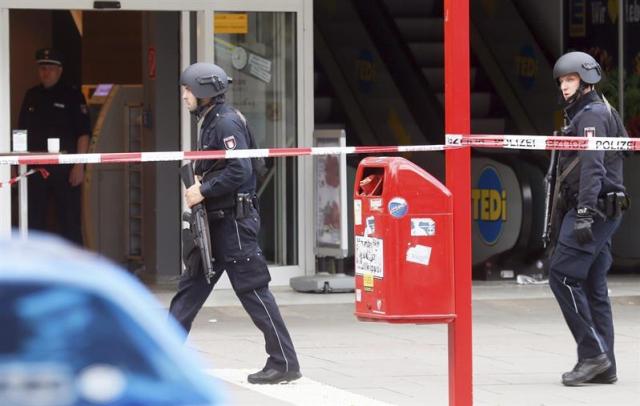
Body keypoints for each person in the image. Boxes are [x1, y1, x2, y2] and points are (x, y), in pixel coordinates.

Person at [169, 62, 301, 385]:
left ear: (202, 92)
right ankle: (161, 356)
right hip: (214, 222)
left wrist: (203, 189)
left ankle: (284, 361)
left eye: (188, 90)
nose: (185, 95)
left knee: (253, 291)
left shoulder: (226, 122)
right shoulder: (211, 120)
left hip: (233, 224)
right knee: (190, 289)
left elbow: (241, 170)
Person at [549, 51, 628, 386]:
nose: (565, 86)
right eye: (563, 81)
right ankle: (605, 364)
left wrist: (583, 212)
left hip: (593, 210)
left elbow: (594, 165)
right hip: (604, 209)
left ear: (586, 80)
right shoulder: (597, 110)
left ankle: (592, 355)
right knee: (594, 286)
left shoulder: (591, 115)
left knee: (562, 276)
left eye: (571, 79)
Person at [18, 48, 90, 245]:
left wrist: (79, 166)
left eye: (50, 68)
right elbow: (20, 132)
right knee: (34, 220)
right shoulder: (31, 95)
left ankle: (75, 266)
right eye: (42, 68)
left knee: (69, 220)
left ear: (60, 70)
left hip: (65, 169)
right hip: (36, 168)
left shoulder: (72, 95)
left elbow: (83, 133)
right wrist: (17, 163)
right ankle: (35, 264)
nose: (45, 72)